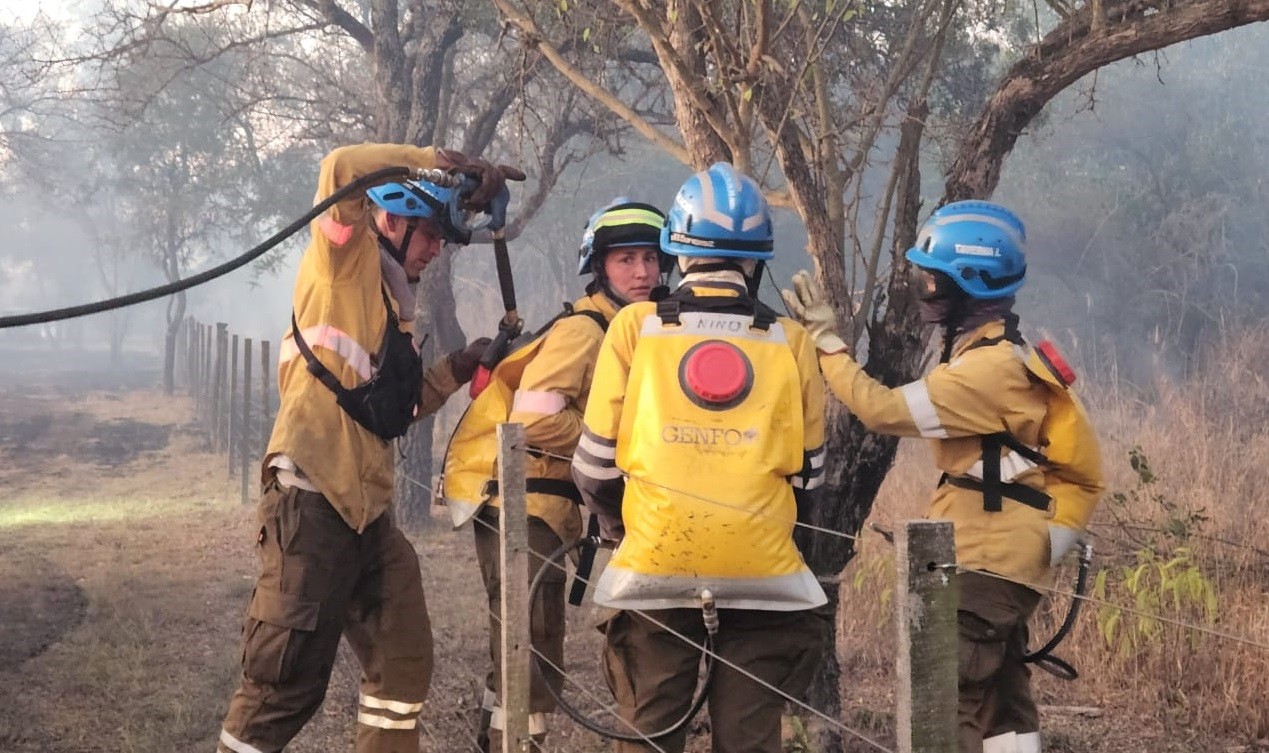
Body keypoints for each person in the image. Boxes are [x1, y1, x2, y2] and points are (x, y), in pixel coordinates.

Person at [216, 142, 523, 753]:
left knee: (403, 663)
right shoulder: (342, 264)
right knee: (284, 687)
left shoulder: (393, 310)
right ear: (392, 219)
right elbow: (339, 169)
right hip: (312, 501)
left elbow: (393, 412)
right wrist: (438, 160)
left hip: (367, 517)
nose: (437, 250)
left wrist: (461, 367)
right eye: (432, 233)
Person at [780, 200, 1103, 753]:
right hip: (1007, 559)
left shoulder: (985, 373)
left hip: (983, 561)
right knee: (1005, 708)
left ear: (967, 286)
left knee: (947, 703)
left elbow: (879, 409)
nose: (923, 291)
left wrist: (826, 341)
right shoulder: (1006, 355)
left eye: (932, 280)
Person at [571, 163, 829, 753]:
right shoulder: (792, 342)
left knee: (650, 731)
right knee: (749, 737)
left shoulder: (635, 328)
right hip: (767, 578)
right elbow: (811, 478)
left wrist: (625, 533)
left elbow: (593, 468)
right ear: (754, 260)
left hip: (654, 567)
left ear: (676, 254)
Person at [438, 198, 671, 752]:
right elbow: (535, 419)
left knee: (528, 654)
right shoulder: (586, 330)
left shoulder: (631, 328)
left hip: (547, 510)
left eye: (650, 259)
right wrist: (618, 450)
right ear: (600, 267)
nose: (642, 272)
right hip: (522, 508)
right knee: (532, 657)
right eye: (626, 261)